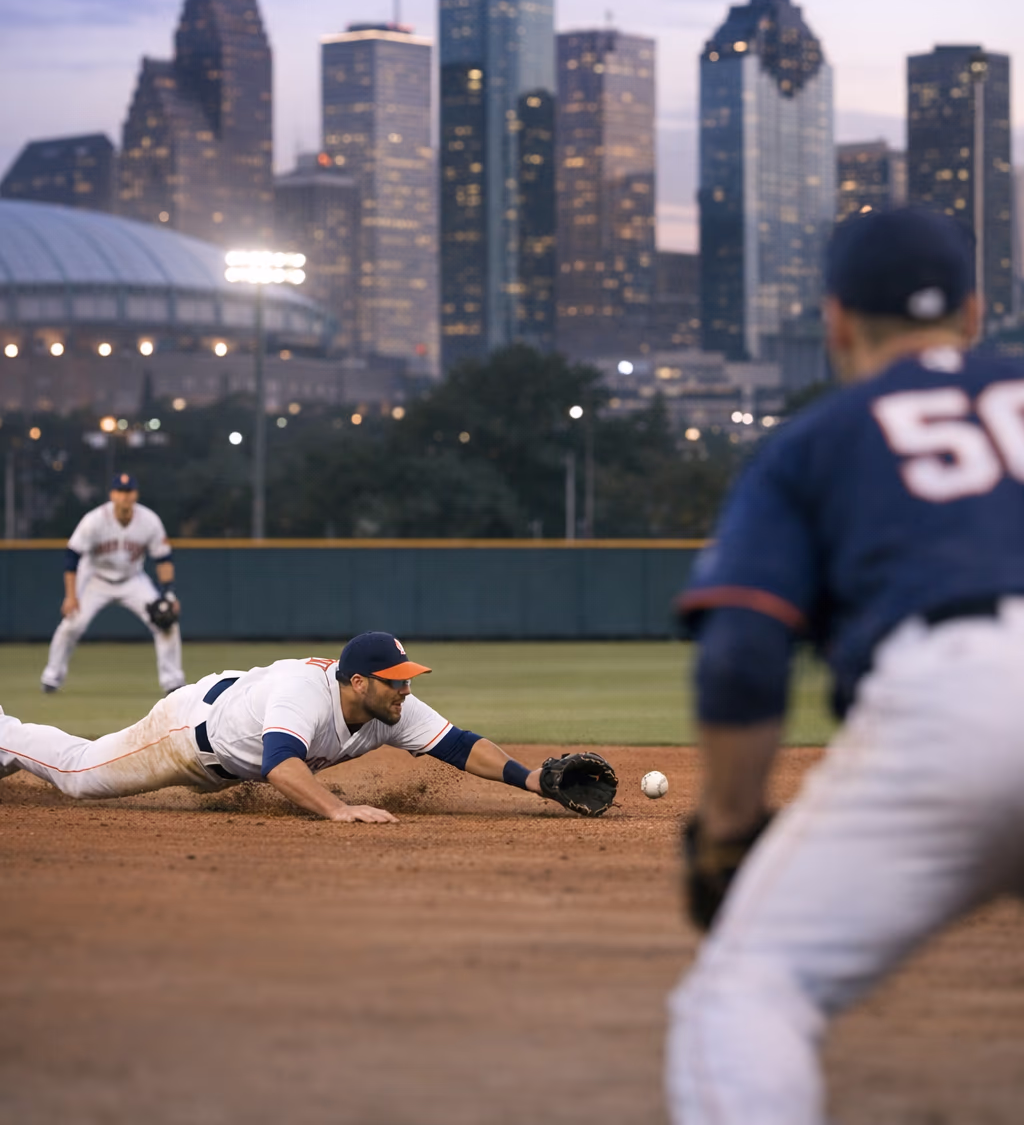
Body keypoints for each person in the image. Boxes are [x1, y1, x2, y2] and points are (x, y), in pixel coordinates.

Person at [666, 206, 1024, 1125]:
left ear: (836, 322)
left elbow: (742, 652)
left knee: (748, 989)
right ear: (975, 312)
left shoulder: (816, 441)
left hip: (957, 708)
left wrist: (729, 832)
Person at [2, 629, 615, 822]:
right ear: (359, 683)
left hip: (233, 727)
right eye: (395, 679)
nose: (406, 689)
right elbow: (281, 766)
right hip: (188, 735)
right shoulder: (305, 690)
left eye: (407, 678)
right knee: (79, 775)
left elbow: (460, 747)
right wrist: (337, 810)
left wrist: (533, 779)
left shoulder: (390, 711)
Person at [40, 472, 183, 696]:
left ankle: (173, 682)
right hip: (95, 579)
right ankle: (51, 677)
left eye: (129, 492)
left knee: (166, 620)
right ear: (112, 495)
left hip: (133, 579)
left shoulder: (149, 521)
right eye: (120, 492)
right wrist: (71, 595)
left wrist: (169, 595)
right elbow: (72, 557)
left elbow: (163, 558)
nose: (125, 497)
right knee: (71, 625)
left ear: (135, 494)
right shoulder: (95, 520)